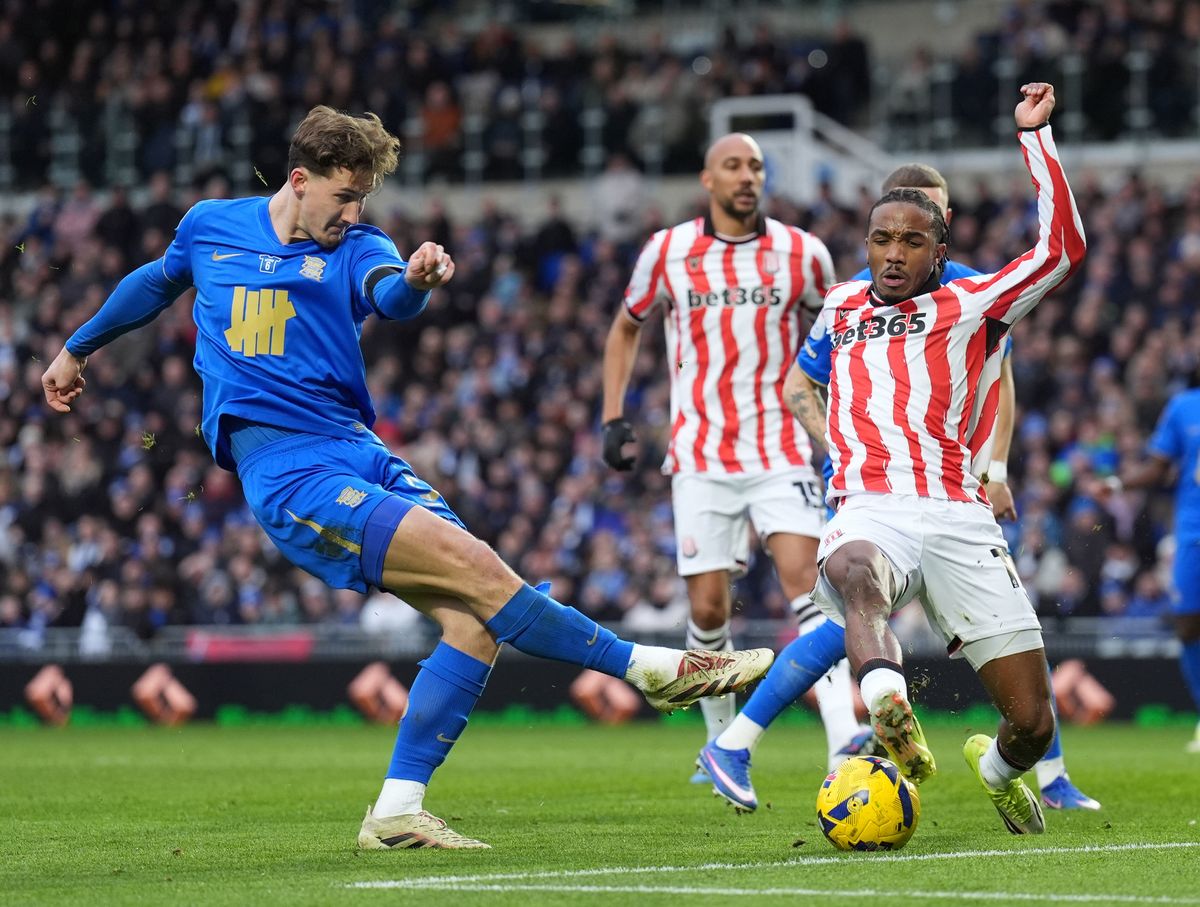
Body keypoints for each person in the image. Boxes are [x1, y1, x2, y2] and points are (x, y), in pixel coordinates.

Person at [40, 105, 775, 850]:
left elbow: (388, 292)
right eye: (343, 196)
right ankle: (650, 668)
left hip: (357, 450)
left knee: (475, 618)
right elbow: (156, 281)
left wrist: (417, 279)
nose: (354, 214)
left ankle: (396, 809)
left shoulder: (360, 246)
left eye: (363, 199)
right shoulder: (211, 227)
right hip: (288, 468)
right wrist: (76, 349)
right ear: (300, 180)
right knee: (478, 570)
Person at [707, 83, 1085, 837]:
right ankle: (886, 702)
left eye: (912, 242)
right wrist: (838, 447)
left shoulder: (974, 303)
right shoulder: (841, 306)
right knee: (854, 572)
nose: (893, 254)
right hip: (871, 505)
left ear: (940, 250)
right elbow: (798, 385)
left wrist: (1035, 139)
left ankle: (998, 770)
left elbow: (1062, 251)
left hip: (958, 512)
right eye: (881, 239)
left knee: (1033, 723)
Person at [601, 132, 865, 781]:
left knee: (809, 585)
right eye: (733, 166)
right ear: (708, 180)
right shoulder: (668, 251)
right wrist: (613, 415)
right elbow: (627, 324)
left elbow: (839, 332)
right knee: (709, 611)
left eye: (755, 166)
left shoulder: (803, 253)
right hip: (700, 454)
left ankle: (844, 736)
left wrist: (845, 415)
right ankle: (718, 746)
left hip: (781, 446)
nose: (747, 176)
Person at [1108, 383, 1200, 753]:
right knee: (1188, 623)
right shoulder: (1183, 405)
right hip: (1192, 529)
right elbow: (1158, 467)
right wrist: (1118, 483)